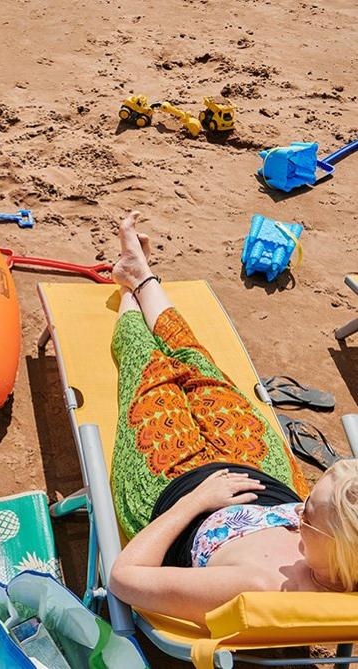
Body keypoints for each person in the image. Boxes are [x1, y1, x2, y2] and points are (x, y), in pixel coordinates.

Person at [106, 212, 358, 625]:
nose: (298, 515)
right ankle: (142, 275)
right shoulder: (339, 560)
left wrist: (196, 501)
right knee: (199, 364)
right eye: (307, 502)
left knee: (148, 369)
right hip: (257, 465)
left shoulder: (253, 586)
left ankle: (129, 294)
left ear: (341, 547)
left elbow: (124, 578)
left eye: (308, 516)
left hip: (174, 482)